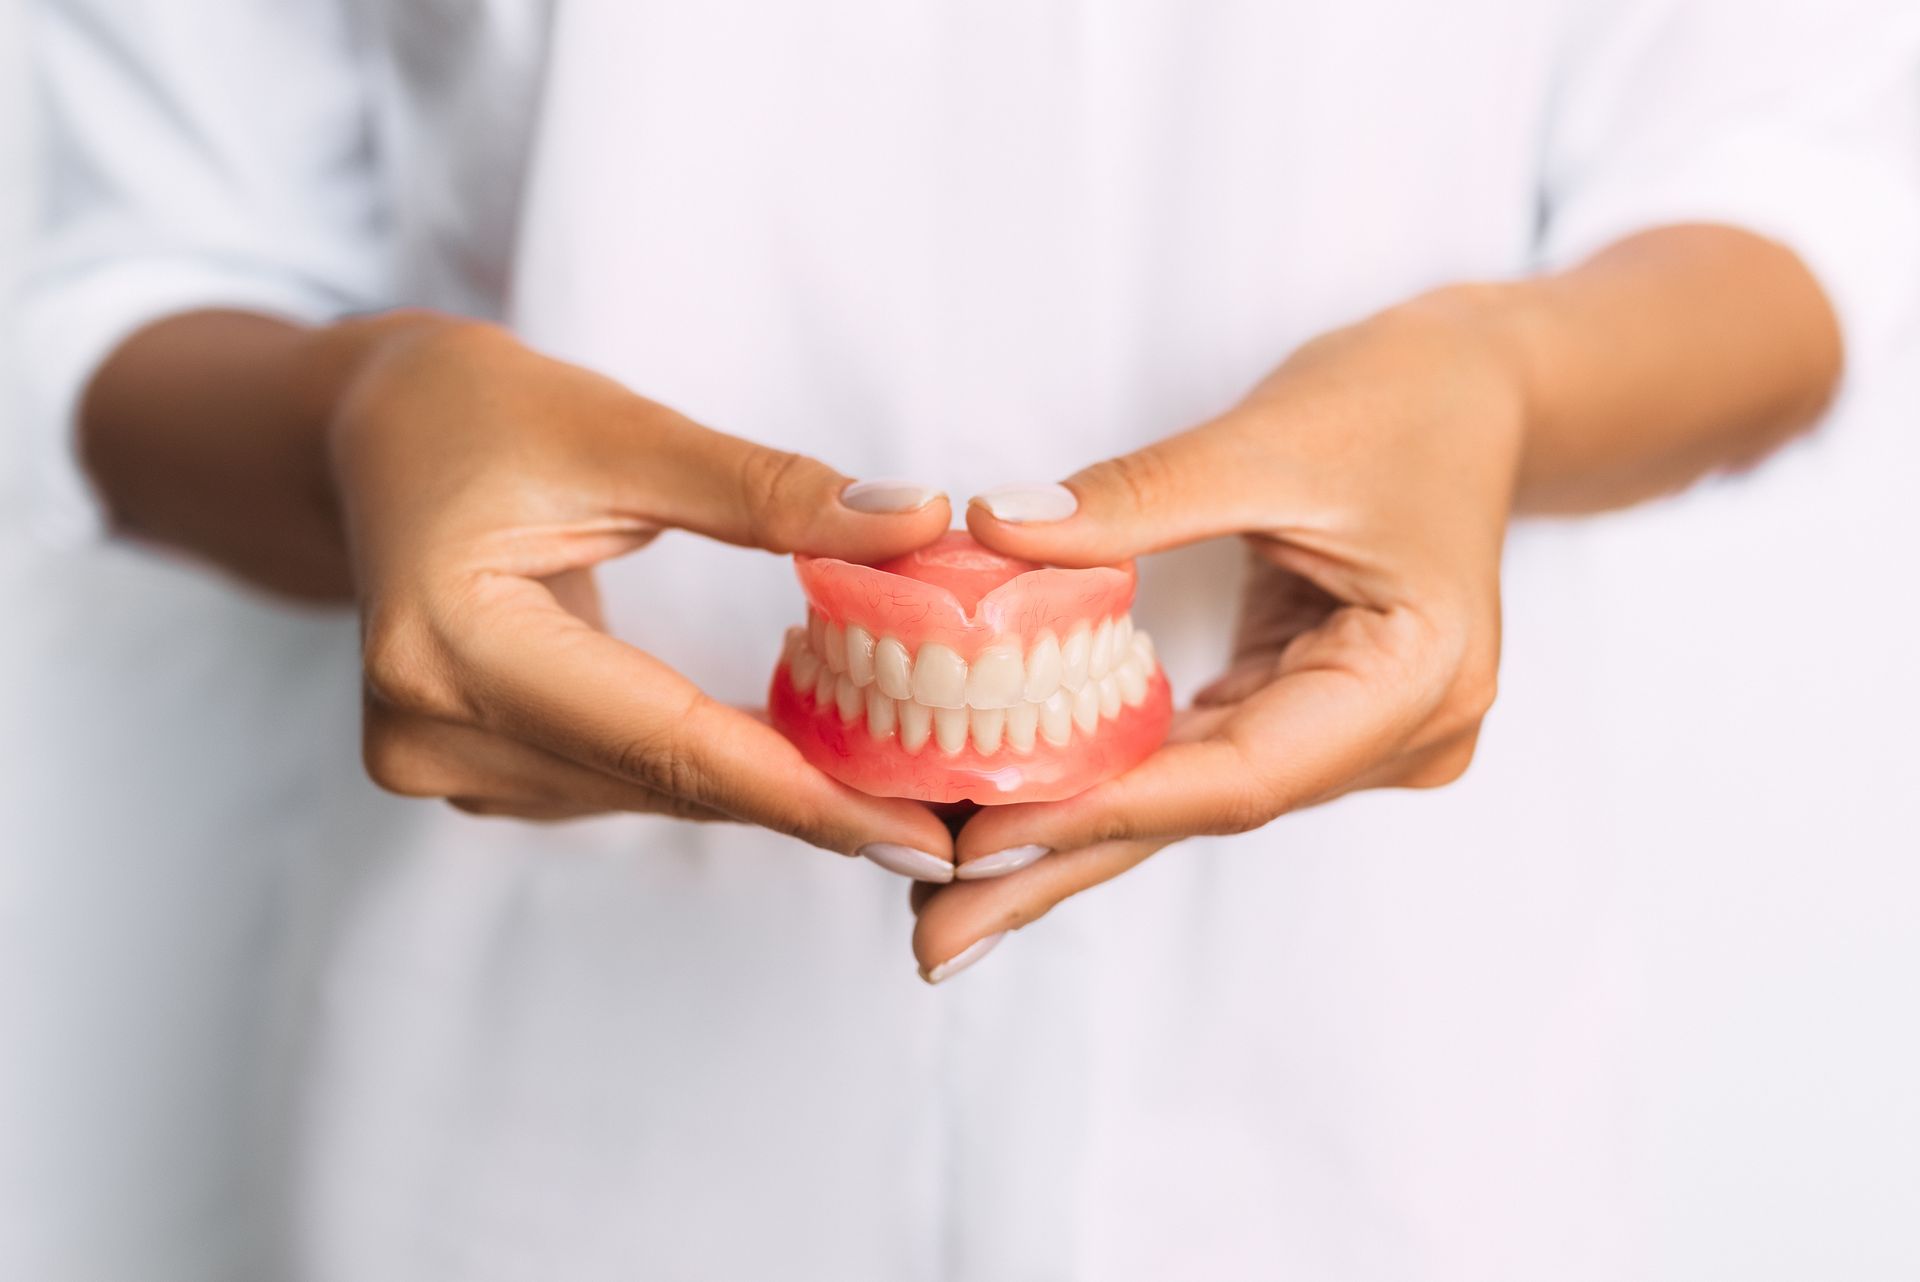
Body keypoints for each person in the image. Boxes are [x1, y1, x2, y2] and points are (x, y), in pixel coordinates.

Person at [13, 0, 1920, 1278]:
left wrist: (1503, 385)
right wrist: (366, 431)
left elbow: (1774, 201)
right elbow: (148, 289)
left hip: (1385, 1105)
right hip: (528, 1127)